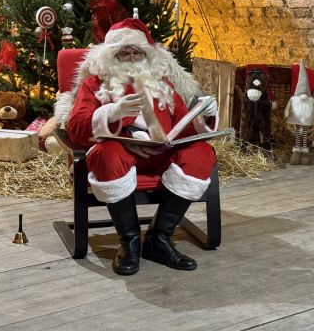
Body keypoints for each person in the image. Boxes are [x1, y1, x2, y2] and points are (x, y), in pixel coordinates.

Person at [60, 15, 218, 275]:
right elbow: (75, 127)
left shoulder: (162, 84)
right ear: (111, 56)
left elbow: (183, 126)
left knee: (201, 153)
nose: (133, 58)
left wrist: (203, 117)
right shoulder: (94, 85)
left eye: (138, 53)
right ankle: (130, 241)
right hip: (121, 153)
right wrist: (112, 113)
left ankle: (159, 238)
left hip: (161, 153)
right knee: (106, 154)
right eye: (125, 53)